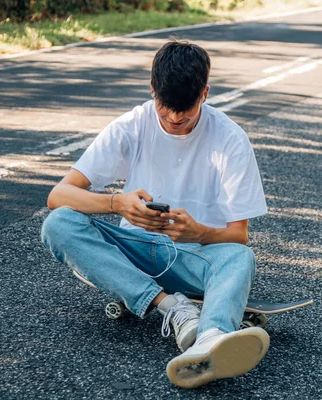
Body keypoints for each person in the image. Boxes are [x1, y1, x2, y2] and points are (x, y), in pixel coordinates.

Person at [40, 39, 270, 389]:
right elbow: (58, 195)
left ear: (205, 94)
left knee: (240, 257)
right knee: (58, 223)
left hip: (192, 256)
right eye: (166, 108)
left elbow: (238, 234)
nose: (175, 118)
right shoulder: (131, 125)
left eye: (186, 110)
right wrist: (116, 203)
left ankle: (210, 340)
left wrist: (199, 233)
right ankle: (170, 307)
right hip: (132, 252)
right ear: (152, 91)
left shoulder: (230, 139)